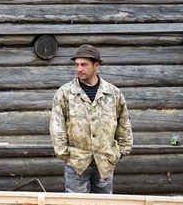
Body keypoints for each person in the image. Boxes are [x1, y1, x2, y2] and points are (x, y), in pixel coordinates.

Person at [49, 44, 133, 194]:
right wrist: (65, 155)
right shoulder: (65, 93)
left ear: (96, 65)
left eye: (84, 64)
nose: (79, 69)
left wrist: (120, 152)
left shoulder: (113, 94)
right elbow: (57, 126)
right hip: (76, 162)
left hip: (105, 162)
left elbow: (124, 122)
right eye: (76, 65)